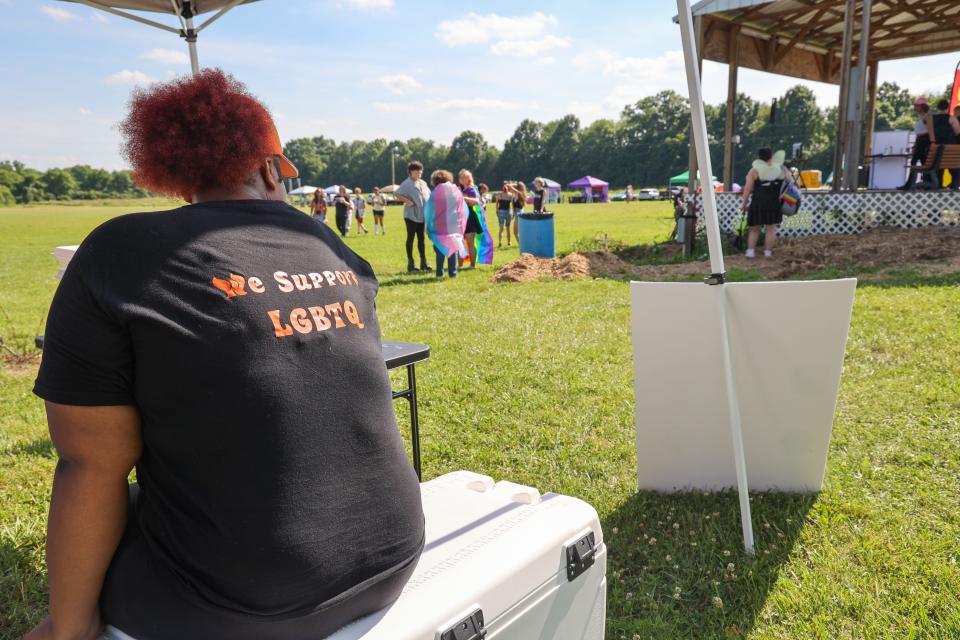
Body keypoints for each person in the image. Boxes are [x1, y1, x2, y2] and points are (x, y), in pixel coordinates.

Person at [25, 69, 424, 640]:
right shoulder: (331, 246)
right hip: (394, 559)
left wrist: (69, 627)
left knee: (116, 501)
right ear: (268, 168)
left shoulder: (119, 250)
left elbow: (90, 463)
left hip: (239, 604)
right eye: (288, 169)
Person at [740, 147, 792, 258]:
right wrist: (783, 167)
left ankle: (750, 252)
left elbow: (747, 189)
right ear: (771, 157)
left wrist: (744, 203)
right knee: (771, 228)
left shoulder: (754, 170)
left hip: (758, 202)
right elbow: (790, 179)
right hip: (774, 202)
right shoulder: (780, 169)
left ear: (759, 158)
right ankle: (767, 252)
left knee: (754, 228)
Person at [424, 170, 467, 278]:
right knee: (453, 249)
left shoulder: (435, 193)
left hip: (439, 225)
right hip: (454, 224)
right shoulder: (456, 191)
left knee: (439, 248)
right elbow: (463, 208)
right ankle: (453, 273)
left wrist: (428, 226)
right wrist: (461, 224)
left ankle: (439, 272)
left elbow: (429, 210)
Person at [395, 161, 431, 272]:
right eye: (417, 171)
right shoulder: (406, 183)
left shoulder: (423, 183)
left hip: (422, 216)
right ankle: (411, 264)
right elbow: (397, 194)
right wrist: (408, 201)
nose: (419, 173)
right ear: (410, 172)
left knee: (421, 239)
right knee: (410, 238)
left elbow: (428, 195)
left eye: (421, 171)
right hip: (411, 216)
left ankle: (423, 263)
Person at [457, 169, 493, 268]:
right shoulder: (459, 189)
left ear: (469, 178)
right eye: (461, 177)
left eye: (465, 177)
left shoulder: (471, 189)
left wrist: (463, 198)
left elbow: (476, 201)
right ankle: (459, 265)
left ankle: (472, 265)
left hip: (469, 218)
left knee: (470, 242)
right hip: (459, 218)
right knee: (459, 242)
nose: (463, 179)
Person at [899, 97, 936, 190]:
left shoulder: (928, 117)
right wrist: (915, 145)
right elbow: (919, 132)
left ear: (922, 106)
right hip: (920, 140)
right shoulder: (921, 117)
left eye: (916, 106)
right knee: (917, 162)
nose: (914, 107)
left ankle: (914, 185)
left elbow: (931, 131)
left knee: (920, 163)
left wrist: (932, 143)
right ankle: (917, 184)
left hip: (925, 141)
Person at [932, 99, 960, 187]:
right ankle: (955, 185)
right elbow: (957, 131)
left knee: (939, 165)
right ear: (948, 107)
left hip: (937, 146)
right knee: (953, 165)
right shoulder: (951, 118)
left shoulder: (932, 118)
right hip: (951, 146)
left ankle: (940, 185)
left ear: (938, 107)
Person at [495, 182, 514, 248]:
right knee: (508, 228)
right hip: (508, 212)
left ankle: (500, 242)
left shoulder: (499, 195)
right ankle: (509, 242)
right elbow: (512, 205)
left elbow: (497, 204)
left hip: (501, 212)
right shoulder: (510, 195)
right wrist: (513, 212)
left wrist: (497, 211)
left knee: (501, 228)